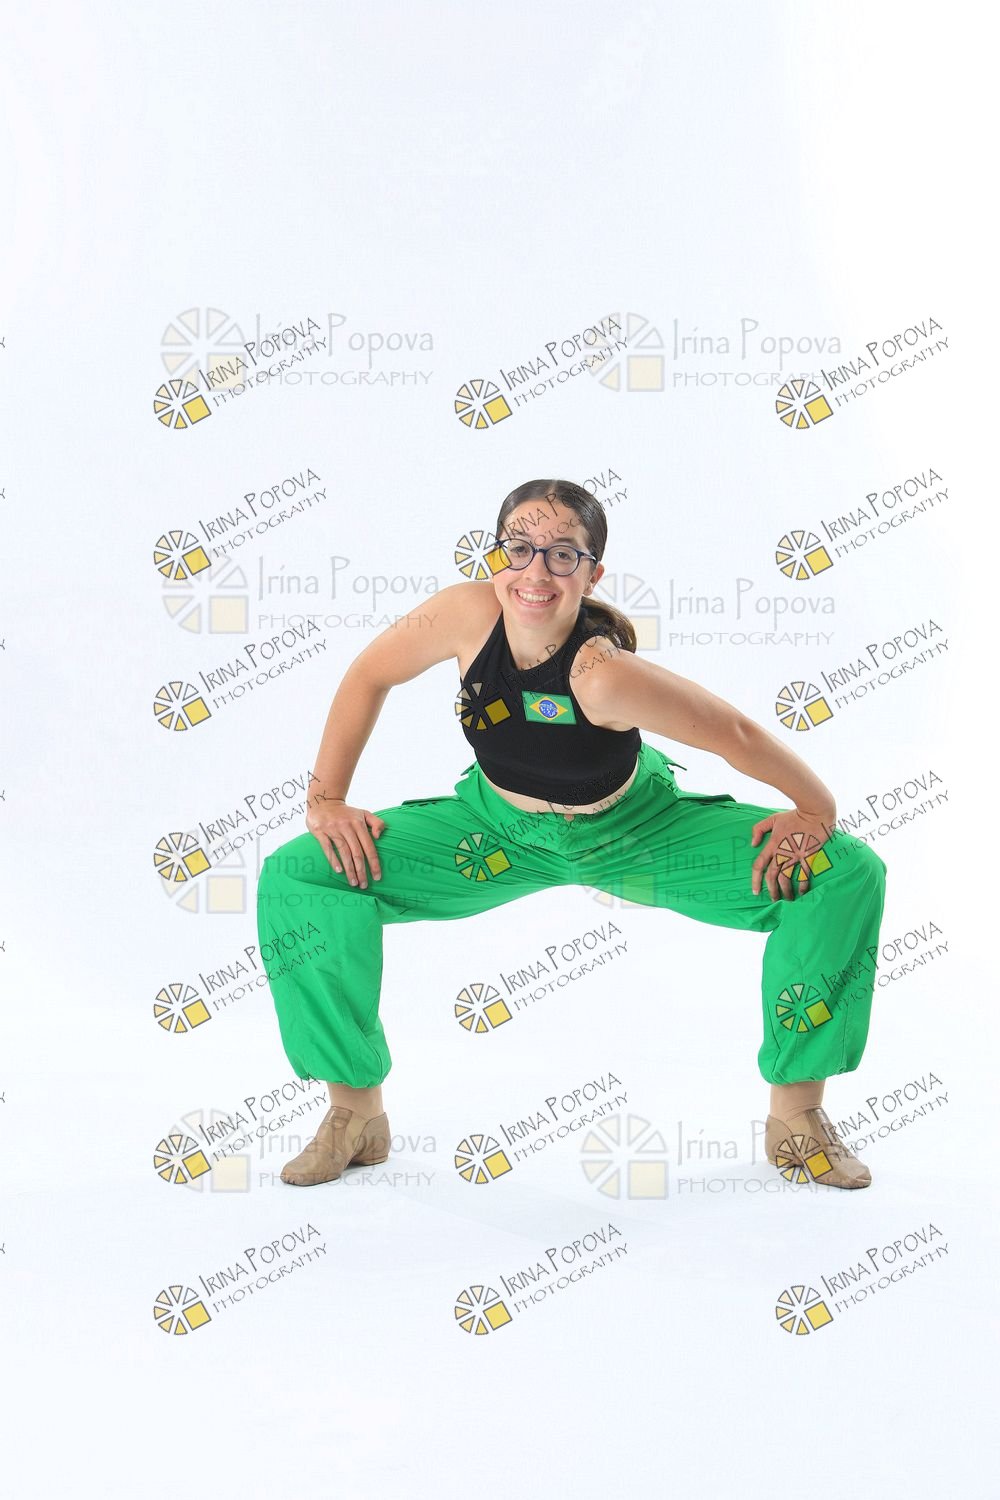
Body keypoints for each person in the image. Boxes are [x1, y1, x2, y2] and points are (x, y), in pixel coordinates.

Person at [256, 478, 888, 1190]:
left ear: (592, 574)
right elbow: (369, 674)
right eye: (519, 548)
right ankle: (354, 1113)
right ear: (496, 554)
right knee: (302, 875)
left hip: (634, 837)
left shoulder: (602, 676)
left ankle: (796, 1116)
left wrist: (816, 807)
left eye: (562, 555)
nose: (535, 572)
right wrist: (327, 800)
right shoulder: (463, 615)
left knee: (843, 874)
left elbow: (733, 733)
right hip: (492, 836)